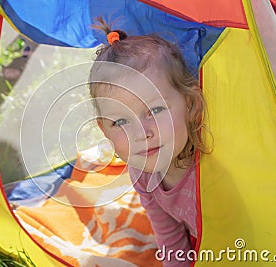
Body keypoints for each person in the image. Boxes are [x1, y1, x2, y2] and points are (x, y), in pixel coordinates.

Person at [88, 18, 210, 266]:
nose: (142, 133)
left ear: (189, 103)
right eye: (120, 122)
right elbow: (170, 237)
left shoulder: (214, 158)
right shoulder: (142, 171)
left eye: (155, 110)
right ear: (104, 130)